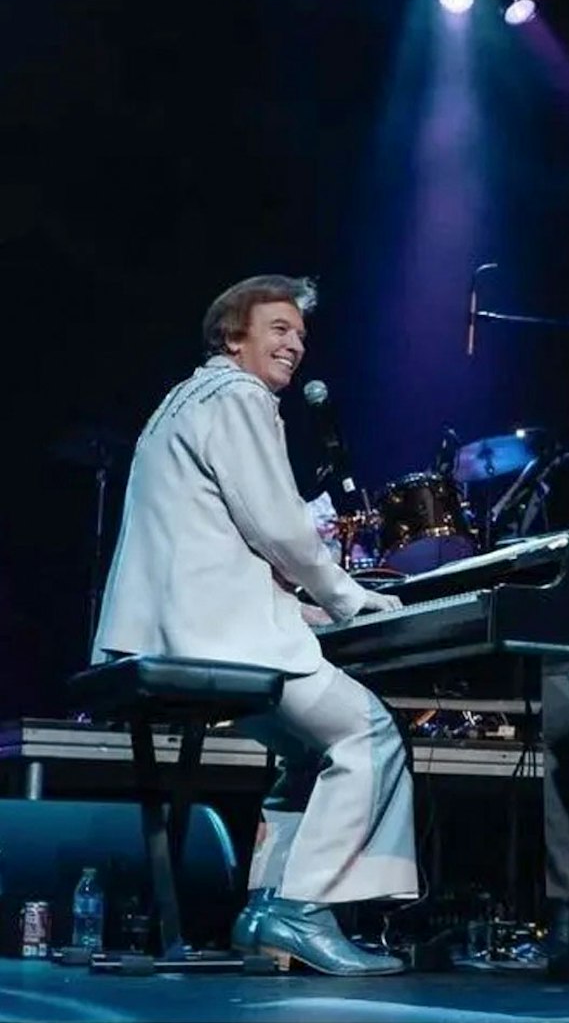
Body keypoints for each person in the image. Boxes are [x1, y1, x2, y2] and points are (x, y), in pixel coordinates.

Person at [93, 274, 417, 975]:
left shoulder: (182, 400)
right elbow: (276, 526)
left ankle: (265, 911)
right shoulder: (240, 397)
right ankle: (305, 911)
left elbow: (215, 537)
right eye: (278, 328)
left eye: (300, 335)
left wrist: (295, 604)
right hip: (219, 637)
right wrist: (343, 595)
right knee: (371, 736)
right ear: (233, 334)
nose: (294, 345)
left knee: (308, 753)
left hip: (173, 627)